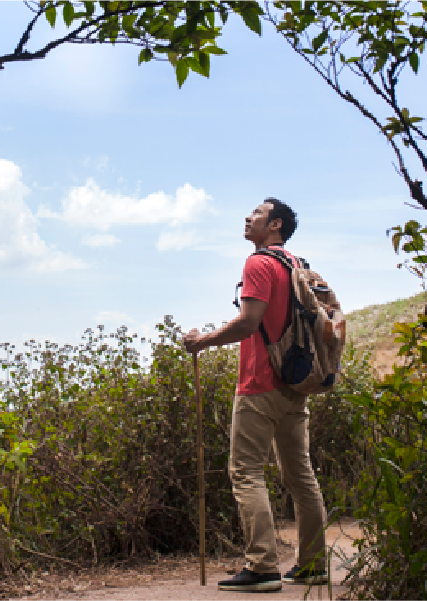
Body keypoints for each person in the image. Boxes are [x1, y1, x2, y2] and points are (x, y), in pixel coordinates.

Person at [184, 198, 328, 593]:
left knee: (246, 472)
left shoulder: (259, 263)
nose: (248, 218)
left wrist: (202, 341)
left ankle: (262, 566)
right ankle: (313, 564)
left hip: (260, 382)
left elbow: (249, 322)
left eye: (257, 214)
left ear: (275, 225)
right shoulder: (297, 264)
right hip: (295, 383)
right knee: (300, 475)